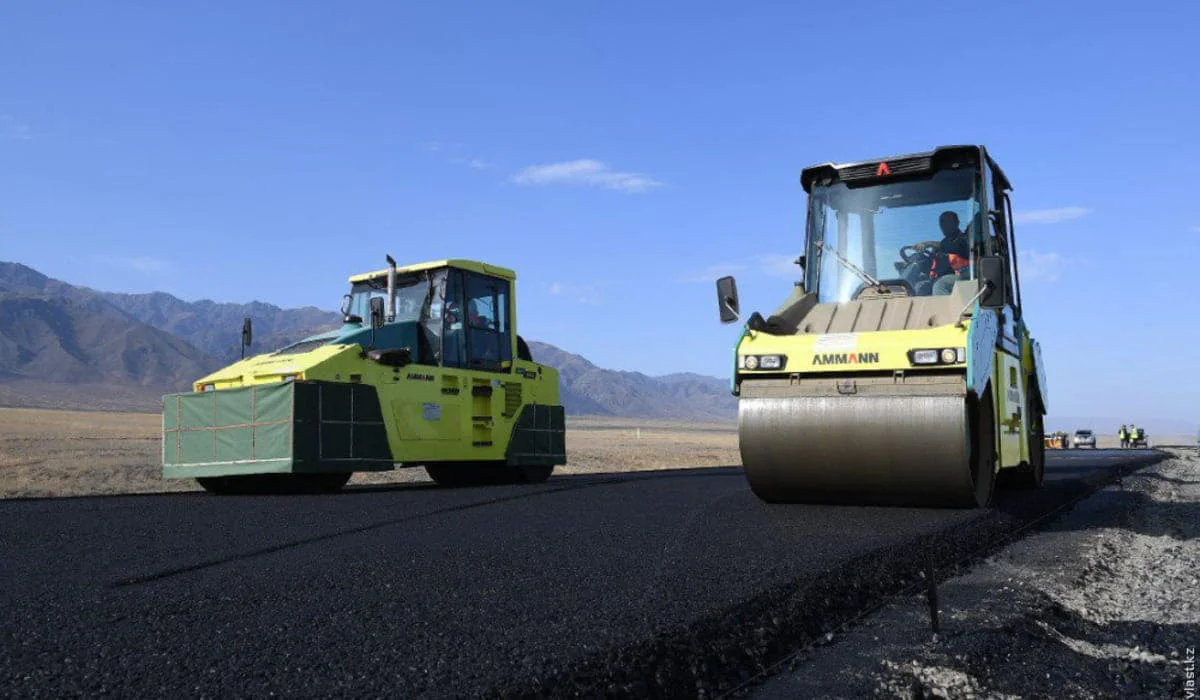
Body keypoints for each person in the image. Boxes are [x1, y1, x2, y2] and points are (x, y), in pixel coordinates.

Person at [901, 211, 972, 296]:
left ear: (957, 222)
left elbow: (951, 247)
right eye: (941, 223)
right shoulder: (944, 243)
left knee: (940, 285)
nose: (943, 225)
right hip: (940, 277)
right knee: (920, 287)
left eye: (946, 222)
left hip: (965, 277)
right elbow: (933, 263)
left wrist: (928, 244)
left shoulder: (963, 240)